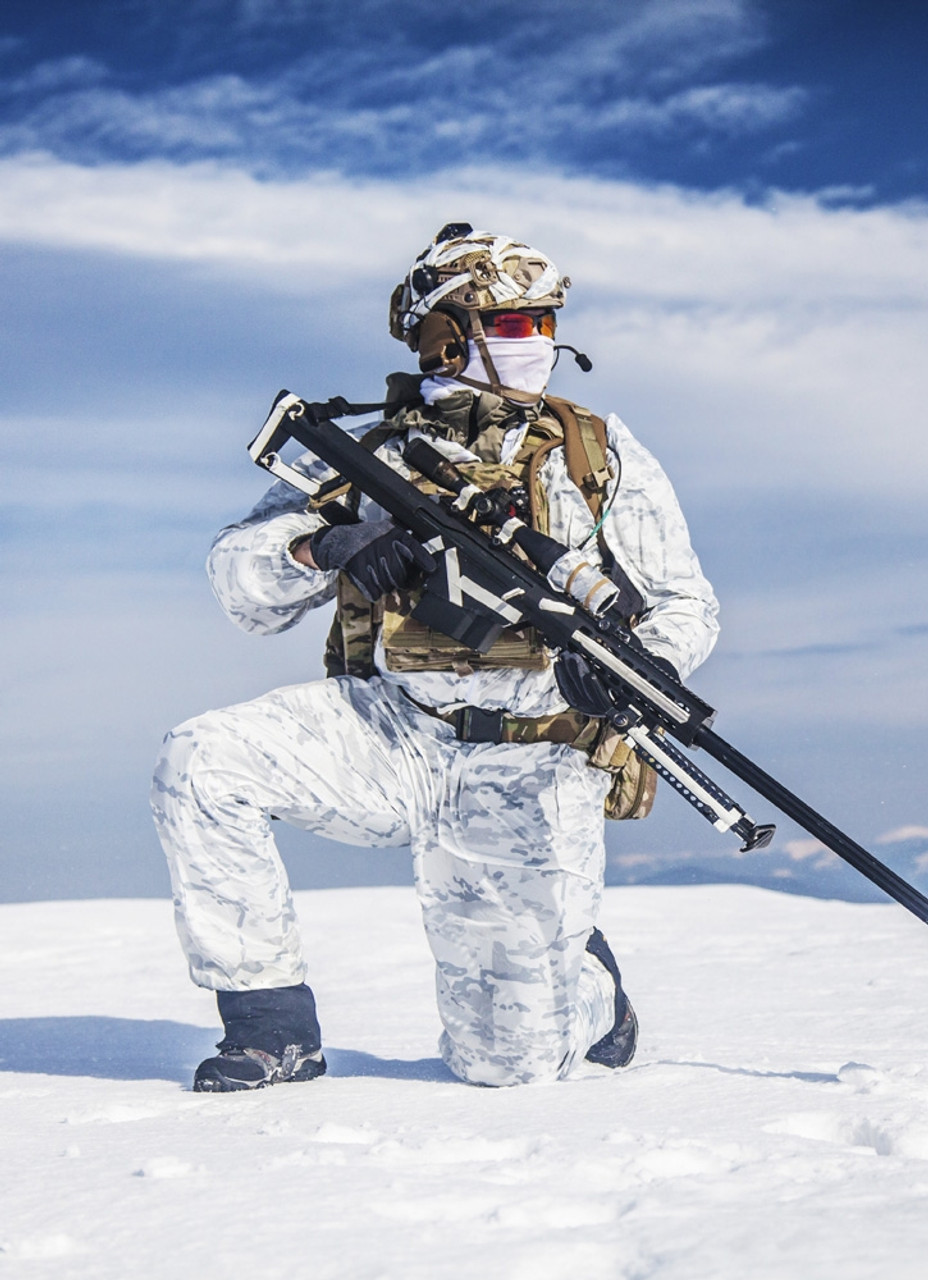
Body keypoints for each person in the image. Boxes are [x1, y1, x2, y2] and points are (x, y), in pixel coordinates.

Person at [150, 224, 719, 1091]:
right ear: (444, 334)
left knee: (506, 1069)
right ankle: (271, 1026)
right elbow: (237, 587)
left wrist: (630, 666)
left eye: (545, 324)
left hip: (529, 758)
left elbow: (686, 605)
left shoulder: (593, 455)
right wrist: (327, 547)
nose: (542, 346)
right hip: (390, 729)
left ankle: (592, 989)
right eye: (516, 325)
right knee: (203, 761)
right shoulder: (362, 452)